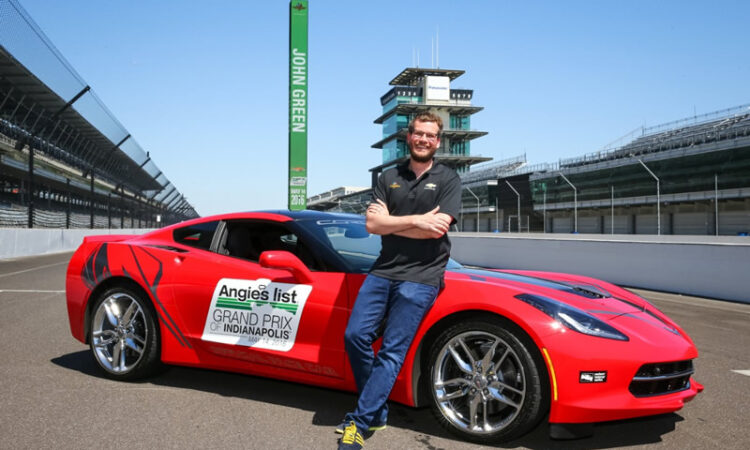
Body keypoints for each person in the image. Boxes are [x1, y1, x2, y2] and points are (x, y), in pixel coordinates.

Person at [338, 112, 461, 449]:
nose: (423, 140)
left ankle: (360, 423)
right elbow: (372, 226)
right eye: (418, 133)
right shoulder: (388, 176)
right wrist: (417, 220)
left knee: (392, 351)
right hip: (383, 270)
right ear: (408, 137)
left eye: (430, 135)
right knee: (355, 336)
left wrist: (394, 222)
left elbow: (437, 229)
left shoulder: (449, 180)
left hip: (422, 276)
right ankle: (375, 410)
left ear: (437, 141)